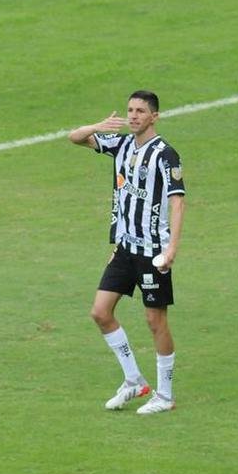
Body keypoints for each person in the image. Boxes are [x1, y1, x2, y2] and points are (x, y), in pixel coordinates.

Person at [68, 90, 185, 415]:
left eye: (140, 111)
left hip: (152, 251)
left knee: (154, 320)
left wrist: (172, 247)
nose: (133, 116)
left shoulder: (165, 155)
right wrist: (99, 125)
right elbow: (74, 137)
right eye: (130, 110)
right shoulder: (120, 145)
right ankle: (134, 380)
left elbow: (177, 201)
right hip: (124, 249)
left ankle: (165, 395)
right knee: (100, 313)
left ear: (154, 117)